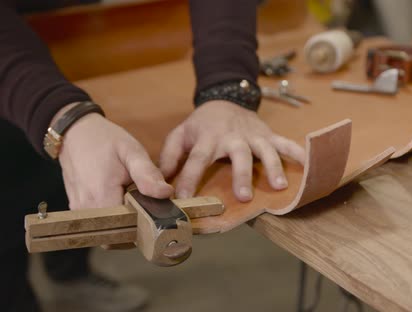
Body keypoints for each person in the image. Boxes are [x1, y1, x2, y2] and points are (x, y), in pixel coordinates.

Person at [0, 0, 305, 311]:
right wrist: (56, 112)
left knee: (89, 183)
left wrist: (226, 90)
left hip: (76, 30)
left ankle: (71, 275)